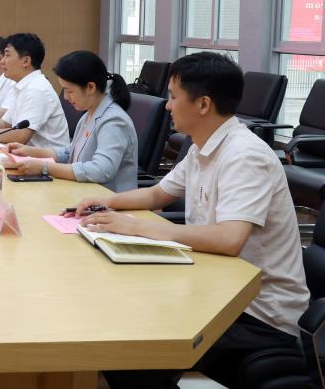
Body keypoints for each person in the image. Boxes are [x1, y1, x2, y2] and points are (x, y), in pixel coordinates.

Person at [72, 53, 308, 388]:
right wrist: (106, 202)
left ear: (203, 104)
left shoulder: (245, 156)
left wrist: (139, 227)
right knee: (121, 315)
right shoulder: (202, 147)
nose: (167, 106)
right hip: (214, 287)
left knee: (128, 349)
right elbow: (157, 194)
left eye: (173, 97)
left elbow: (229, 239)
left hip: (257, 312)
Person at [6, 50, 138, 192]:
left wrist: (45, 167)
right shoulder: (90, 113)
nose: (66, 97)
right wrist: (30, 151)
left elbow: (101, 170)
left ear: (90, 87)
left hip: (110, 199)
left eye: (69, 91)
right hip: (85, 192)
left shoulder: (113, 120)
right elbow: (71, 153)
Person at [0, 33, 70, 149]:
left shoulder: (37, 89)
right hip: (24, 154)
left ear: (26, 61)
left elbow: (21, 136)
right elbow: (5, 122)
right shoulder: (22, 85)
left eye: (7, 55)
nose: (2, 62)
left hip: (45, 158)